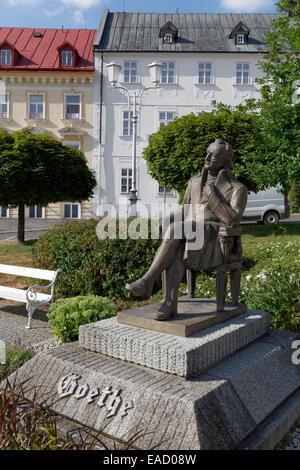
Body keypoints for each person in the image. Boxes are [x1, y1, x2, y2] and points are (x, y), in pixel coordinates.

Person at [125, 138, 248, 321]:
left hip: (214, 239)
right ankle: (169, 304)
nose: (206, 157)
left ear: (225, 160)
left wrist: (214, 198)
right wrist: (167, 220)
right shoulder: (195, 182)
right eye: (207, 152)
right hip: (189, 235)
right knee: (176, 249)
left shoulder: (237, 188)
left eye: (213, 155)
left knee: (176, 231)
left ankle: (149, 280)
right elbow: (184, 211)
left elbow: (233, 220)